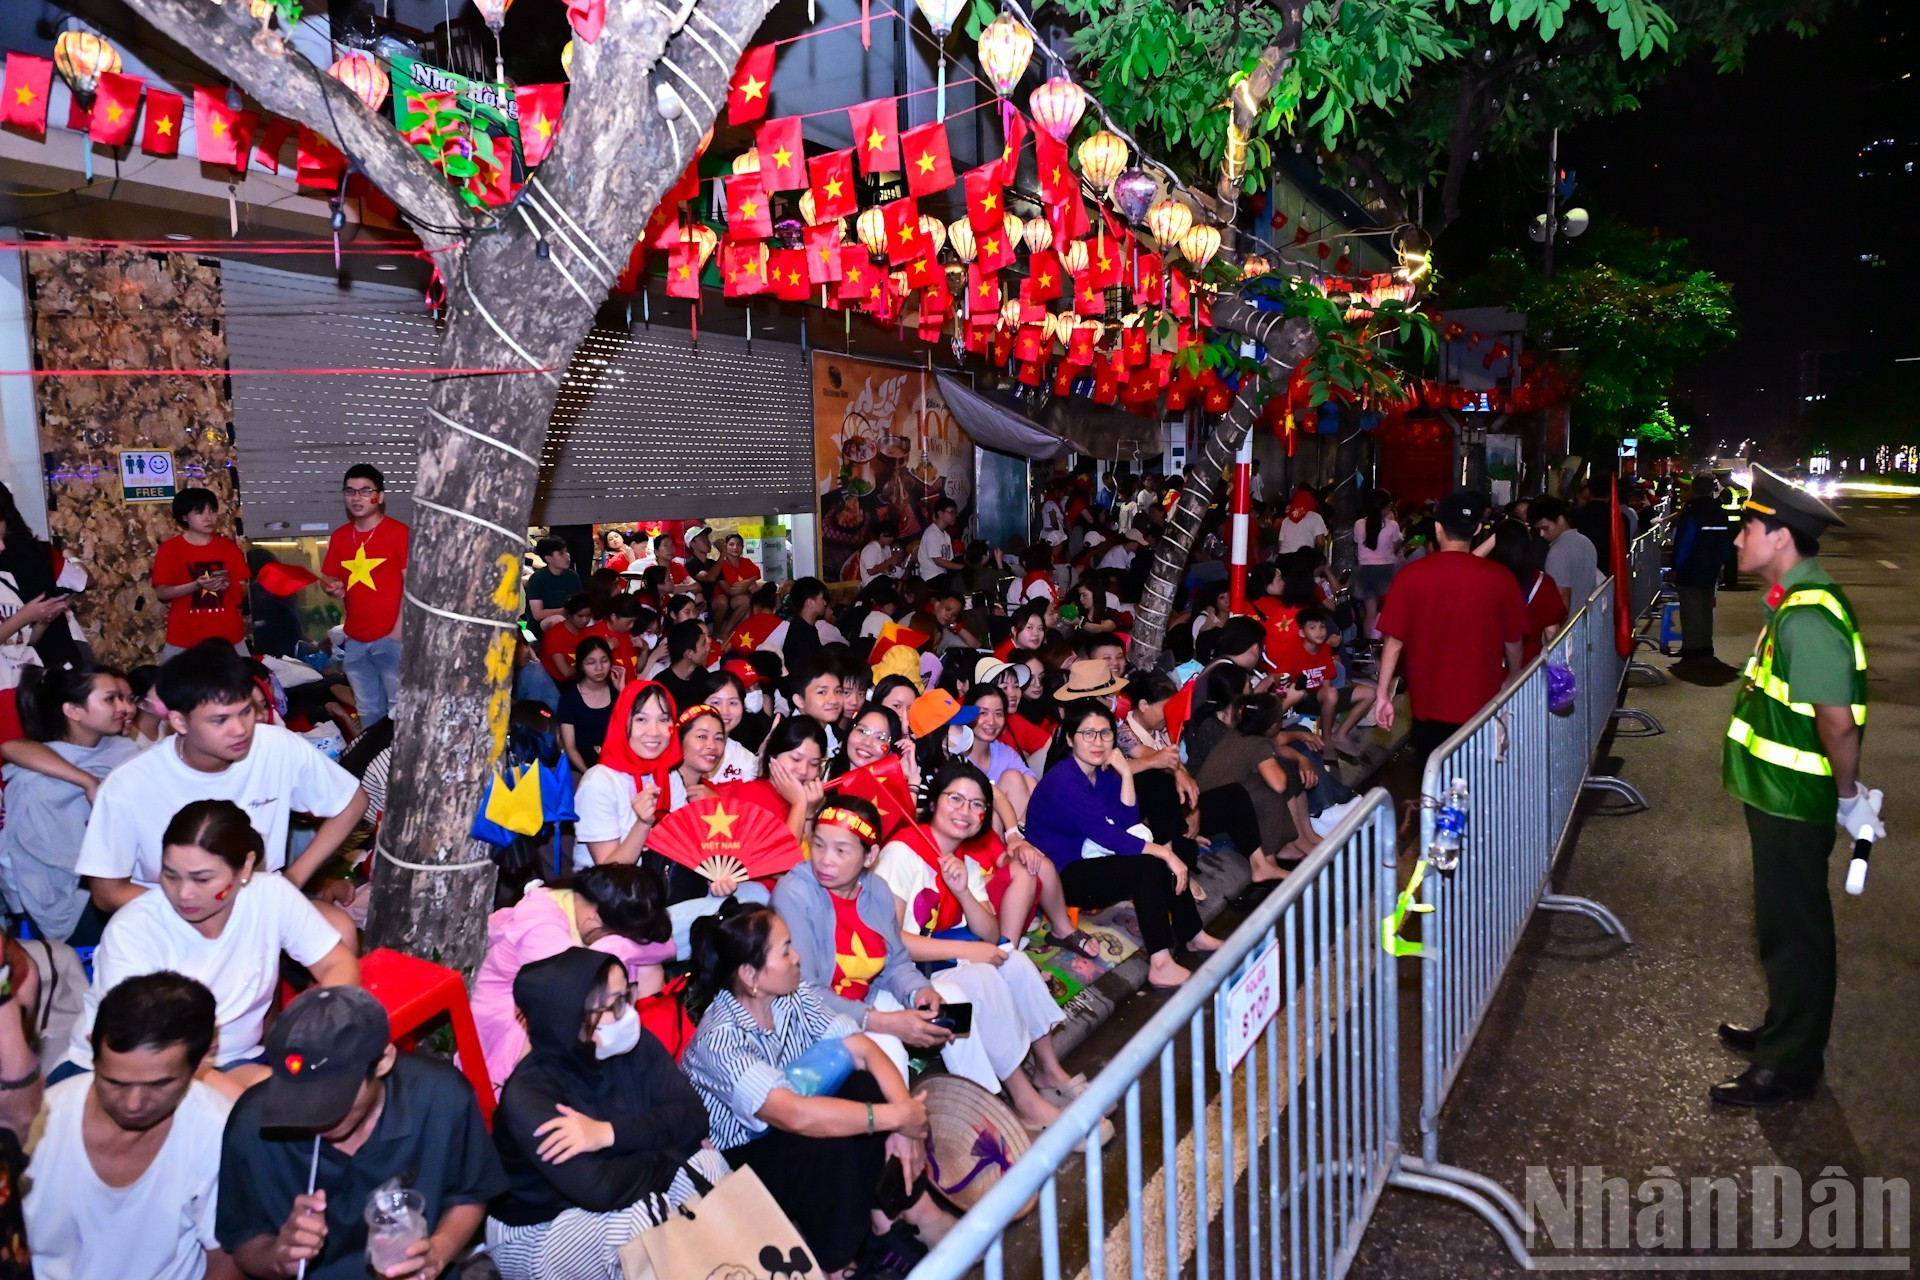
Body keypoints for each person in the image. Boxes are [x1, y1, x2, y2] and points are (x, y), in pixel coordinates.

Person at [1714, 467, 1875, 1108]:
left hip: (1793, 800)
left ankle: (1790, 1064)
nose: (1736, 540)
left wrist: (1849, 796)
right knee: (1782, 926)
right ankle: (1784, 1032)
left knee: (1796, 928)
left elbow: (1836, 722)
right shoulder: (1790, 603)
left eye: (1747, 528)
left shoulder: (1807, 615)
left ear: (1780, 538)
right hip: (1775, 795)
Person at [681, 901, 952, 1274]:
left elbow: (863, 1050)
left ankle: (904, 1215)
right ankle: (837, 1262)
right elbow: (794, 1115)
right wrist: (895, 1117)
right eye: (786, 950)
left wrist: (904, 1121)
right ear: (750, 975)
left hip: (793, 1122)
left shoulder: (792, 993)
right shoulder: (719, 1040)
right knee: (824, 1140)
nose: (797, 958)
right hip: (744, 1157)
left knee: (863, 1086)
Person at [791, 794, 1085, 1130]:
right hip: (843, 1008)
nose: (826, 860)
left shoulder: (877, 889)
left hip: (885, 988)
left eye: (841, 850)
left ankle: (1000, 1104)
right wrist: (891, 1019)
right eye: (819, 845)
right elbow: (807, 991)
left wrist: (918, 992)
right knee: (900, 1047)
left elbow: (895, 962)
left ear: (869, 856)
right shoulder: (799, 890)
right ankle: (976, 1124)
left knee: (971, 991)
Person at [62, 799, 359, 1099]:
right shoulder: (134, 930)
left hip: (231, 1061)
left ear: (244, 867)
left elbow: (337, 964)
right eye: (170, 875)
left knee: (314, 1100)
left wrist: (316, 1029)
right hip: (134, 1073)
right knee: (269, 1113)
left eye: (202, 878)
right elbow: (150, 1050)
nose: (184, 893)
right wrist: (242, 1102)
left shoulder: (271, 895)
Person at [216, 986, 507, 1280]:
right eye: (299, 1097)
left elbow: (469, 1194)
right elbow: (243, 1239)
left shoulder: (441, 1097)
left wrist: (438, 1252)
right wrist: (279, 1255)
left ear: (383, 1061)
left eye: (333, 1097)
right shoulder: (253, 1124)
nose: (315, 1115)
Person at [487, 949, 730, 1280]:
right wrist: (673, 1153)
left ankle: (733, 1269)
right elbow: (600, 1189)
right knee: (645, 1221)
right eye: (613, 1006)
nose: (628, 1012)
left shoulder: (628, 1041)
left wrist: (609, 1134)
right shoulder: (530, 1096)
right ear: (569, 1019)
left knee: (708, 1167)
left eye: (626, 996)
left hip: (627, 1182)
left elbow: (694, 1116)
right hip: (538, 1228)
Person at [74, 645, 366, 915]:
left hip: (258, 903)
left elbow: (352, 802)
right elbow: (107, 892)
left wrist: (292, 878)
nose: (239, 729)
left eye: (246, 712)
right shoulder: (129, 785)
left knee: (340, 932)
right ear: (179, 722)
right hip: (172, 917)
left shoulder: (276, 746)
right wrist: (202, 909)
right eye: (220, 720)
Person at [26, 972, 233, 1280]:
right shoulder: (37, 1125)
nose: (134, 1103)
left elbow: (227, 1261)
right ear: (90, 1050)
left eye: (160, 1084)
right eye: (115, 1082)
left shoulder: (217, 1130)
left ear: (203, 1060)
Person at [1024, 702, 1220, 988]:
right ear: (1070, 739)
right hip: (1062, 874)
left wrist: (1126, 773)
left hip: (1091, 854)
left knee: (1154, 858)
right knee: (1149, 864)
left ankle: (1193, 935)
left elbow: (1126, 822)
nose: (1098, 741)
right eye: (1088, 734)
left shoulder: (1101, 772)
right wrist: (1167, 853)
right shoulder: (1063, 781)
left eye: (1105, 734)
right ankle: (1161, 963)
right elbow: (1110, 836)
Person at [473, 864, 677, 1095]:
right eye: (619, 933)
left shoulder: (579, 902)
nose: (622, 940)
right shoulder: (540, 925)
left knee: (647, 970)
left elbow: (665, 945)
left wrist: (617, 944)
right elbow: (573, 992)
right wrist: (618, 946)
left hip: (545, 1016)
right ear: (595, 915)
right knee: (605, 988)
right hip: (506, 1031)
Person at [1373, 491, 1527, 763]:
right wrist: (1513, 676)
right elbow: (1513, 639)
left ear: (1437, 527)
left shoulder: (1411, 576)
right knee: (1479, 783)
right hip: (1483, 701)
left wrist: (1382, 693)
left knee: (1434, 781)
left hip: (1427, 703)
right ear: (1477, 529)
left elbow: (1393, 641)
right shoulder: (1500, 579)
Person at [0, 664, 137, 945]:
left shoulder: (123, 752)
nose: (124, 707)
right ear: (73, 711)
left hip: (123, 876)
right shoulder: (36, 784)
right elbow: (64, 864)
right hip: (72, 899)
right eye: (111, 699)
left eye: (125, 698)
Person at [319, 465, 409, 727]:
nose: (356, 497)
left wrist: (399, 630)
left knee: (399, 710)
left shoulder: (398, 533)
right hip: (355, 639)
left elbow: (412, 586)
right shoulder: (340, 536)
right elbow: (331, 581)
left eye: (365, 490)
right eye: (350, 491)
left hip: (393, 638)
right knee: (368, 710)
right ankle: (374, 767)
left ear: (379, 496)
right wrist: (332, 588)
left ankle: (399, 766)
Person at [151, 487, 250, 661]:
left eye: (212, 511)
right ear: (184, 517)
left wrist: (228, 586)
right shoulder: (171, 549)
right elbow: (162, 593)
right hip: (185, 638)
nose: (208, 517)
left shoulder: (228, 548)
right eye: (199, 512)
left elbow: (242, 592)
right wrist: (196, 585)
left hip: (228, 636)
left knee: (243, 684)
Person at [1280, 607, 1377, 752]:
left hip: (1322, 697)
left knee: (1370, 693)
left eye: (1322, 627)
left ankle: (1340, 735)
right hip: (1299, 700)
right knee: (1331, 694)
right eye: (1312, 628)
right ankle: (1327, 739)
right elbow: (1286, 687)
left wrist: (1329, 708)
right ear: (1301, 632)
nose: (1319, 631)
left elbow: (1327, 683)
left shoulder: (1324, 649)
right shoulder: (1292, 652)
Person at [1485, 521, 1567, 664]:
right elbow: (1551, 632)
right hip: (1531, 669)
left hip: (1490, 666)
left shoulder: (1485, 580)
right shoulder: (1544, 583)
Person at [1670, 476, 1731, 661]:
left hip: (1691, 566)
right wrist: (1721, 563)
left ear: (1694, 489)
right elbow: (1725, 541)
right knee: (1705, 607)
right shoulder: (1718, 510)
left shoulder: (1692, 511)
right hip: (1711, 565)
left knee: (1690, 608)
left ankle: (1691, 648)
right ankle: (1705, 645)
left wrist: (1675, 567)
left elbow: (1686, 542)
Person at [557, 636, 618, 774]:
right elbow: (570, 746)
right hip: (582, 770)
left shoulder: (617, 691)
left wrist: (623, 691)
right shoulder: (569, 698)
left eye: (604, 661)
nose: (599, 668)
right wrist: (589, 774)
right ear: (580, 665)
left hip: (616, 767)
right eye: (591, 662)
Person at [1531, 495, 1600, 608]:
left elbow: (1561, 597)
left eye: (1545, 528)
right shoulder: (1585, 542)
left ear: (1560, 520)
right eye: (1538, 530)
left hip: (1570, 622)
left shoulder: (1558, 552)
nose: (1541, 534)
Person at [1351, 489, 1401, 644]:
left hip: (1365, 571)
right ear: (1385, 508)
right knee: (1387, 611)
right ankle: (1385, 646)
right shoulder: (1392, 526)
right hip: (1386, 571)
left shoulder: (1359, 524)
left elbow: (1356, 546)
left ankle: (1369, 649)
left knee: (1370, 613)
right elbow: (1395, 548)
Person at [698, 669, 761, 783]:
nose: (725, 711)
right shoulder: (680, 747)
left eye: (733, 703)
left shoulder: (746, 760)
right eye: (716, 703)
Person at [652, 619, 711, 714]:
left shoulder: (702, 674)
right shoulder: (661, 686)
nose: (708, 648)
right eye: (703, 644)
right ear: (689, 654)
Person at [711, 531, 762, 640]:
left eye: (738, 545)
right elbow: (734, 586)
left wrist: (746, 584)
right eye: (731, 544)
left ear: (742, 547)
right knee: (745, 599)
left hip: (741, 597)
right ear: (726, 546)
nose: (735, 547)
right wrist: (751, 580)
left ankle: (739, 636)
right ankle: (726, 632)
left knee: (751, 602)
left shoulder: (746, 562)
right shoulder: (723, 564)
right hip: (726, 599)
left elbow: (757, 574)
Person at [526, 538, 583, 633]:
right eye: (561, 553)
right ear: (548, 558)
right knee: (558, 620)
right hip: (541, 624)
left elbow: (580, 601)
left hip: (569, 617)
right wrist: (567, 611)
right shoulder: (537, 579)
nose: (567, 556)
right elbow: (538, 614)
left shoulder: (572, 576)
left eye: (566, 551)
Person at [538, 595, 595, 683]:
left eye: (588, 616)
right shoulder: (555, 635)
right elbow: (566, 672)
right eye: (580, 616)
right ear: (568, 614)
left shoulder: (587, 631)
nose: (585, 620)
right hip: (558, 684)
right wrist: (591, 663)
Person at [916, 498, 962, 587]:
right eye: (951, 513)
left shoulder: (946, 535)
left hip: (943, 576)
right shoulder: (931, 533)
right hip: (932, 578)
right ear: (940, 513)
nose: (954, 516)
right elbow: (938, 561)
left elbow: (949, 560)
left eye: (955, 513)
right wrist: (962, 567)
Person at [1277, 489, 1327, 557]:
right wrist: (1317, 556)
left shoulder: (1286, 520)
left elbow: (1280, 544)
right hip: (1304, 558)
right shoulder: (1315, 517)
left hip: (1284, 558)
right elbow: (1320, 543)